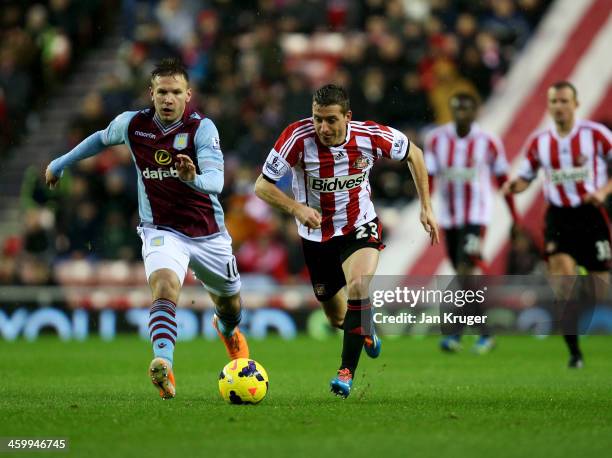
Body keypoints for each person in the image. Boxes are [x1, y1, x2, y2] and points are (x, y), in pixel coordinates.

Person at [45, 58, 249, 399]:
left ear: (188, 95)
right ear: (151, 93)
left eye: (175, 93)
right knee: (165, 286)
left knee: (230, 306)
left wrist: (191, 178)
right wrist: (59, 162)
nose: (168, 99)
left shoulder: (202, 129)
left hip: (208, 233)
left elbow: (216, 181)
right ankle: (164, 364)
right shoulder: (133, 125)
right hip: (160, 229)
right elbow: (99, 138)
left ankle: (226, 329)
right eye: (162, 92)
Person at [254, 84, 439, 398]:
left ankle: (345, 373)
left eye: (330, 120)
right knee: (337, 315)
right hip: (316, 236)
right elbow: (261, 186)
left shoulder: (370, 136)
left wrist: (426, 207)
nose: (322, 128)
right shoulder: (297, 138)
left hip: (359, 226)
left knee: (358, 286)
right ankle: (365, 325)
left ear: (347, 117)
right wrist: (296, 208)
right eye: (317, 119)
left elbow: (415, 154)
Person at [503, 81, 612, 368]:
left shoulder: (597, 136)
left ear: (575, 104)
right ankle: (574, 353)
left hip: (591, 214)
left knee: (603, 290)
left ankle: (588, 274)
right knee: (564, 281)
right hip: (559, 217)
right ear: (549, 106)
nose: (559, 106)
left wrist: (602, 192)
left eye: (564, 101)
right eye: (554, 101)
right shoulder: (540, 142)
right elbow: (526, 176)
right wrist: (516, 185)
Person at [424, 92, 518, 354]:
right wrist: (426, 207)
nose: (461, 114)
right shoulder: (436, 139)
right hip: (449, 217)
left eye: (466, 109)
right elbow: (429, 177)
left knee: (465, 271)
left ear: (476, 111)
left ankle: (462, 333)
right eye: (456, 108)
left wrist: (515, 217)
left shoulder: (488, 141)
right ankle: (480, 333)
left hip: (477, 216)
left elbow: (502, 179)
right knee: (464, 277)